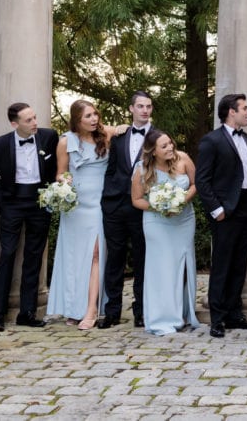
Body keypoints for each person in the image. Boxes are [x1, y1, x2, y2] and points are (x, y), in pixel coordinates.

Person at [48, 100, 119, 330]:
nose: (93, 119)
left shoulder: (105, 135)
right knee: (76, 257)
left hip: (99, 204)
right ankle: (73, 307)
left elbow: (124, 128)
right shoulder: (65, 141)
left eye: (95, 114)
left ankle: (91, 309)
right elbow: (60, 173)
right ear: (77, 120)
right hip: (76, 206)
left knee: (96, 253)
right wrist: (64, 182)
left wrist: (123, 127)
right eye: (88, 116)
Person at [0, 102, 59, 330]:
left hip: (39, 202)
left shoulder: (49, 137)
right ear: (14, 123)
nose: (35, 123)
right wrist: (2, 205)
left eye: (35, 118)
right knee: (7, 253)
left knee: (34, 256)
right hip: (12, 204)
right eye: (28, 120)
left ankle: (27, 314)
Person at [196, 93, 247, 338]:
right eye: (244, 108)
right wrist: (217, 209)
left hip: (246, 208)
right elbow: (202, 180)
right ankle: (217, 318)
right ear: (231, 112)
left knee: (240, 264)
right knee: (222, 265)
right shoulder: (211, 141)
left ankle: (234, 314)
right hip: (225, 211)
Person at [132, 129, 201, 336]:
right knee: (161, 268)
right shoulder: (142, 170)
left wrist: (181, 201)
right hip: (156, 223)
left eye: (170, 143)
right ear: (153, 151)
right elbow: (136, 200)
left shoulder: (184, 160)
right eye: (164, 146)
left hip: (184, 220)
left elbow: (197, 184)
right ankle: (161, 316)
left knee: (183, 264)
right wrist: (159, 206)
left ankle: (183, 313)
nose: (170, 147)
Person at [100, 90, 154, 329]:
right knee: (115, 259)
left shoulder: (158, 136)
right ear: (131, 109)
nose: (145, 110)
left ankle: (141, 311)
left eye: (149, 106)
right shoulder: (120, 136)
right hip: (114, 205)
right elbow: (111, 168)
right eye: (140, 106)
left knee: (142, 259)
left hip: (142, 206)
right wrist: (107, 198)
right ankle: (111, 312)